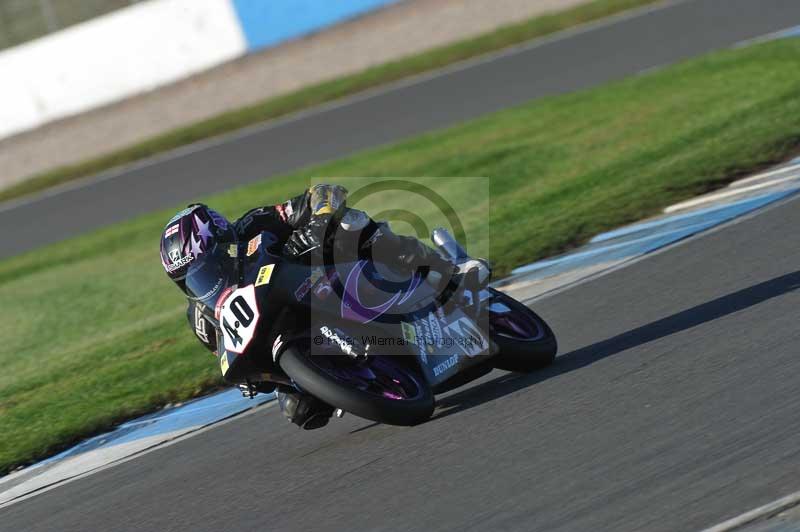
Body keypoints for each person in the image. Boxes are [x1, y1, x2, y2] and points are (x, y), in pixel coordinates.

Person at [159, 184, 490, 429]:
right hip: (289, 333)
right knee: (299, 410)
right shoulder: (201, 319)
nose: (204, 278)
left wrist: (320, 220)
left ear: (223, 239)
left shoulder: (255, 224)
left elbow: (323, 191)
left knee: (350, 224)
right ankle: (371, 375)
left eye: (209, 263)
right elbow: (234, 357)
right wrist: (257, 380)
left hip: (325, 275)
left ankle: (441, 269)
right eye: (190, 277)